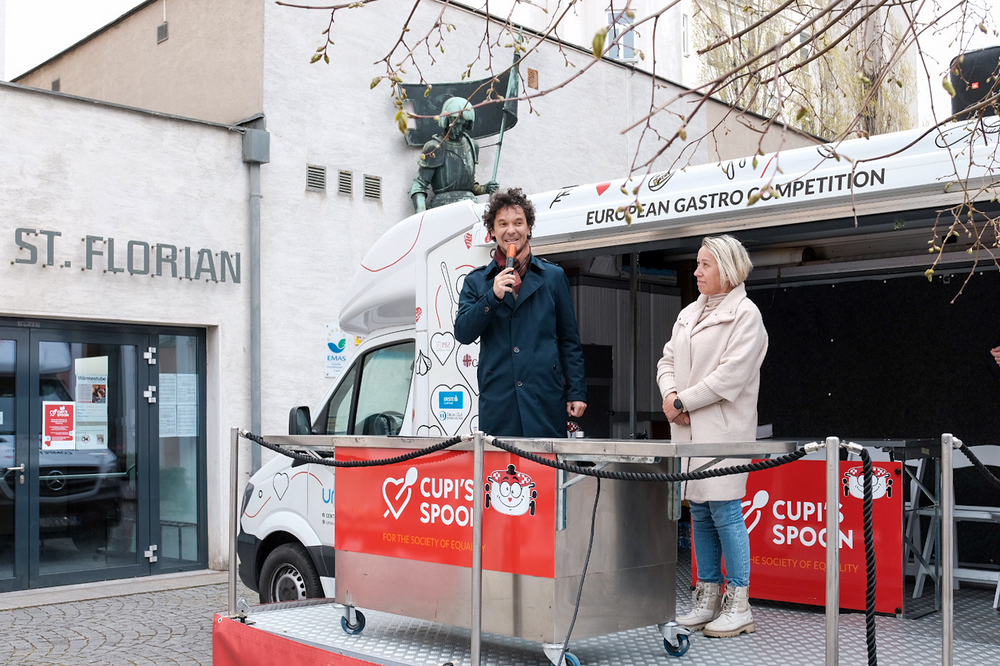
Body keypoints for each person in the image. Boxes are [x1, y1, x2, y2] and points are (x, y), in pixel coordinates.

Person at [656, 234, 768, 638]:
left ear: (728, 269)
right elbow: (666, 360)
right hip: (689, 433)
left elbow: (729, 377)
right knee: (700, 511)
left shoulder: (746, 315)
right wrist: (670, 395)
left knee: (725, 510)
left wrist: (681, 402)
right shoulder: (689, 312)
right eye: (697, 263)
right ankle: (707, 598)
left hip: (723, 432)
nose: (696, 271)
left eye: (705, 264)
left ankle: (739, 604)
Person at [454, 188, 587, 437]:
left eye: (518, 222)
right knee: (500, 462)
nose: (511, 230)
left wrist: (577, 391)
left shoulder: (553, 276)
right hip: (499, 400)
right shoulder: (477, 281)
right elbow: (463, 333)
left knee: (544, 460)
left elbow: (569, 340)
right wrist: (492, 297)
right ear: (492, 231)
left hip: (544, 396)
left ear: (529, 228)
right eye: (502, 224)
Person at [410, 97, 498, 212]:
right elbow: (419, 185)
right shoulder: (435, 147)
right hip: (443, 207)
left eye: (463, 125)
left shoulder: (472, 145)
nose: (458, 129)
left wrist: (484, 188)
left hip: (470, 207)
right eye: (455, 124)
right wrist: (421, 214)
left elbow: (468, 185)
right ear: (446, 120)